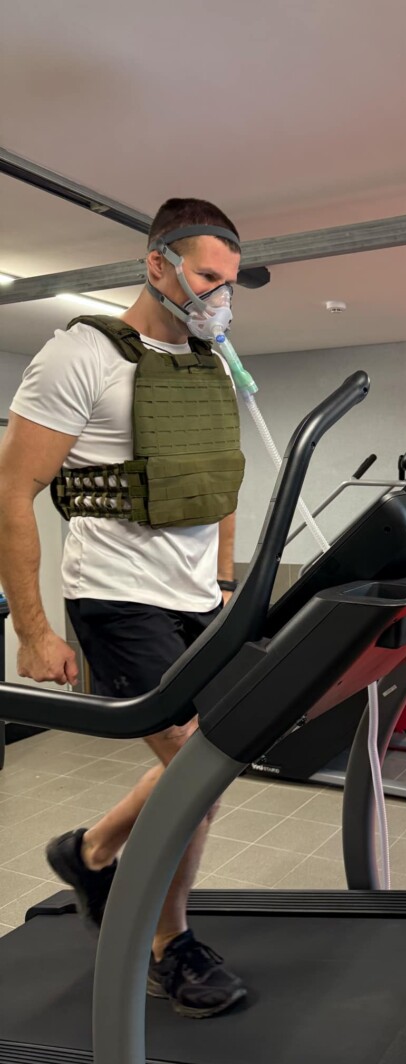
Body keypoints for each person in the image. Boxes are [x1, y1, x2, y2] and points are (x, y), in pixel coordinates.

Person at [0, 198, 247, 1019]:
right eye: (208, 276)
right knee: (199, 775)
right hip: (115, 596)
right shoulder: (80, 355)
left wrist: (223, 583)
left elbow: (219, 482)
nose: (220, 296)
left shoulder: (211, 366)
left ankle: (91, 850)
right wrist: (33, 629)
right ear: (157, 263)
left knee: (205, 766)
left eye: (231, 282)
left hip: (194, 600)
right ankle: (169, 946)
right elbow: (12, 490)